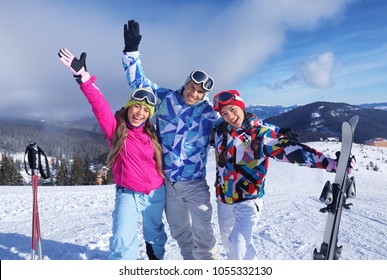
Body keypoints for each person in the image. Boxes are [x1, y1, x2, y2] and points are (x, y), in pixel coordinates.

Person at [211, 89, 354, 260]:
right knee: (231, 247)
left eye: (233, 109)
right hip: (223, 201)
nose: (230, 116)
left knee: (238, 248)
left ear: (242, 106)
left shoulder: (261, 135)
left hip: (248, 200)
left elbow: (294, 152)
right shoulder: (220, 132)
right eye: (224, 113)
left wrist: (330, 163)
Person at [121, 19, 220, 260]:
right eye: (191, 86)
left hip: (195, 184)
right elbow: (139, 83)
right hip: (170, 184)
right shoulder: (166, 98)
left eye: (199, 91)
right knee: (180, 232)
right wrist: (131, 52)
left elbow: (236, 121)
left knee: (204, 234)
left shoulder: (209, 114)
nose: (193, 93)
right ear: (186, 82)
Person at [58, 48, 167, 260]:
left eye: (145, 110)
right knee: (121, 240)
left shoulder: (152, 134)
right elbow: (99, 106)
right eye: (136, 106)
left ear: (149, 115)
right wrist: (84, 78)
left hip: (156, 194)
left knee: (155, 235)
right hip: (129, 194)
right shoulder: (117, 129)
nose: (140, 113)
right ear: (128, 107)